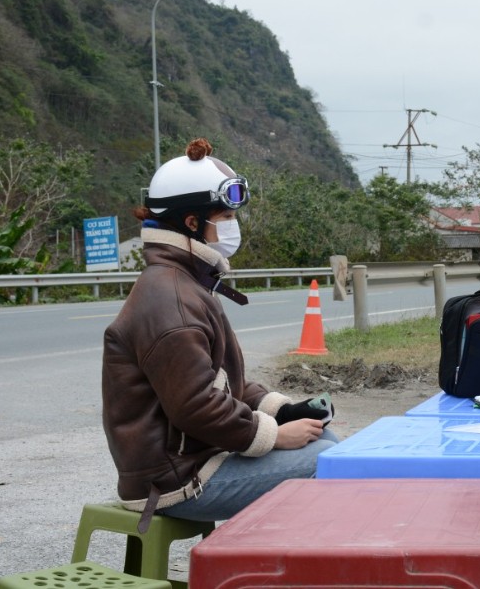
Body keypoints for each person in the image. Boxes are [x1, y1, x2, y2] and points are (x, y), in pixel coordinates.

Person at [102, 138, 338, 529]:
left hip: (195, 460)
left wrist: (283, 411)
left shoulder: (184, 283)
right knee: (328, 462)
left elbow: (221, 382)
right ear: (192, 223)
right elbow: (195, 405)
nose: (232, 227)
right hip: (175, 479)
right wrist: (274, 436)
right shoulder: (172, 299)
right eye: (225, 217)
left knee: (324, 444)